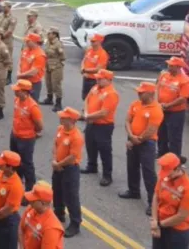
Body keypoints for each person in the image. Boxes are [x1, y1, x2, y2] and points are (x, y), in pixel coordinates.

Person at [119, 82, 164, 216]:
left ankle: (153, 202)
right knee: (131, 166)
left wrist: (135, 140)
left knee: (148, 172)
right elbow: (127, 120)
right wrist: (131, 136)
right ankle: (134, 191)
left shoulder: (156, 109)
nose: (138, 94)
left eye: (141, 92)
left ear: (150, 94)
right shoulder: (135, 104)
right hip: (133, 140)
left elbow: (150, 131)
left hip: (146, 143)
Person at [151, 153, 189, 249]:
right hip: (160, 225)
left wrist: (159, 225)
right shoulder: (164, 177)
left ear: (177, 169)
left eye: (167, 171)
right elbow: (156, 197)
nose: (164, 175)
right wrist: (154, 220)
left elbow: (181, 216)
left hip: (177, 232)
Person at [82, 69, 119, 187]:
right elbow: (87, 100)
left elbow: (104, 113)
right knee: (90, 145)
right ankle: (92, 166)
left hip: (103, 126)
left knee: (104, 150)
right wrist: (87, 114)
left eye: (100, 78)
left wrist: (87, 116)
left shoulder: (111, 93)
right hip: (91, 122)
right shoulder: (95, 88)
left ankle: (107, 175)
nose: (97, 80)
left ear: (108, 80)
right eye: (97, 78)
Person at [52, 107, 84, 238]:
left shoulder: (76, 137)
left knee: (71, 196)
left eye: (63, 117)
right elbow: (55, 144)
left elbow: (72, 157)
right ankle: (59, 214)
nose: (61, 118)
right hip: (58, 167)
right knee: (57, 192)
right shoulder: (60, 129)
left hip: (69, 169)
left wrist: (59, 164)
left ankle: (75, 223)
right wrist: (55, 160)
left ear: (71, 120)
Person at [10, 79, 43, 191]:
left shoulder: (33, 107)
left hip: (26, 139)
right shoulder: (16, 100)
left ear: (25, 92)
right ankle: (17, 186)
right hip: (15, 135)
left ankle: (30, 189)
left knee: (26, 164)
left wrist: (31, 133)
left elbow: (39, 126)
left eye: (18, 90)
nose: (15, 92)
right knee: (15, 161)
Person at [156, 57, 189, 158]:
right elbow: (158, 88)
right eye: (169, 65)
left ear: (178, 67)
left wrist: (167, 105)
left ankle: (174, 158)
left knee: (174, 137)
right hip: (162, 110)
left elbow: (182, 99)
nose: (169, 67)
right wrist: (159, 102)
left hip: (176, 113)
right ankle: (162, 153)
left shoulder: (184, 82)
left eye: (171, 66)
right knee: (161, 134)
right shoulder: (164, 75)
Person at [20, 183, 65, 248]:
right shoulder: (30, 209)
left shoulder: (52, 228)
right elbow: (21, 229)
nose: (30, 201)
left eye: (33, 200)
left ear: (43, 203)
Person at [17, 33, 46, 102]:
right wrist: (18, 71)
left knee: (31, 103)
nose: (26, 42)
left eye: (28, 41)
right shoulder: (25, 50)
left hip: (33, 84)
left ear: (34, 42)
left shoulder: (40, 55)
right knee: (21, 102)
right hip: (23, 81)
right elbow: (20, 62)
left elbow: (33, 72)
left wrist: (20, 75)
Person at [81, 33, 109, 99]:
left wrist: (85, 70)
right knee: (85, 97)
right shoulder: (89, 50)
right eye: (91, 41)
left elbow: (98, 69)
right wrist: (82, 68)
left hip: (94, 80)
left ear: (99, 42)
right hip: (86, 78)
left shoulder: (103, 54)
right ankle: (85, 109)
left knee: (93, 98)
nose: (91, 43)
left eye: (93, 41)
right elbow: (84, 60)